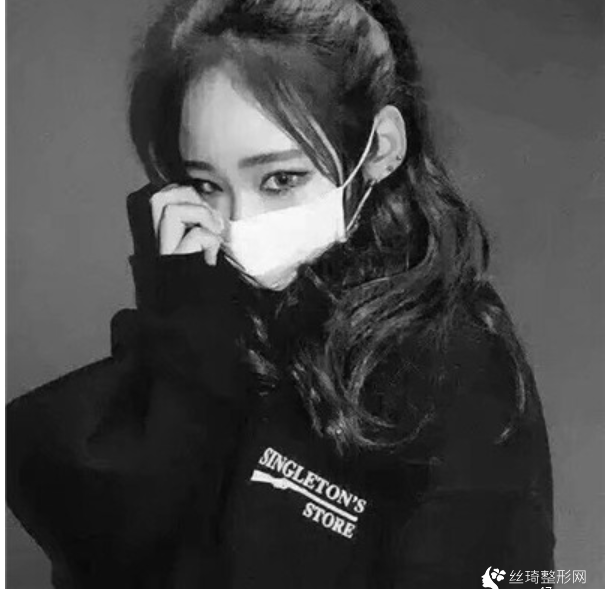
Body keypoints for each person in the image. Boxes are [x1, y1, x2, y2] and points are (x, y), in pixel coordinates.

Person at [6, 0, 555, 588]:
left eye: (281, 179)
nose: (238, 221)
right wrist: (183, 326)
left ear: (380, 149)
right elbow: (108, 549)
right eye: (206, 185)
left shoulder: (460, 362)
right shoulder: (206, 310)